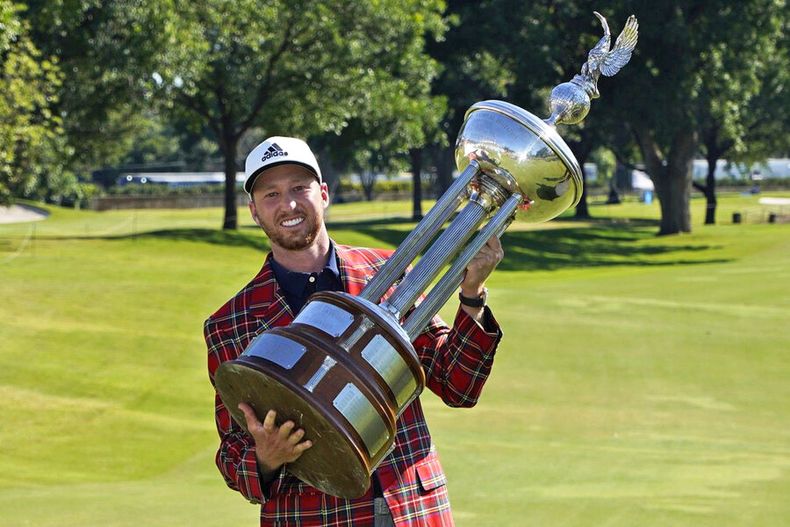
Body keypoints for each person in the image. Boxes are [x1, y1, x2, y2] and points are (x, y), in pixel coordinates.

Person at [205, 136, 504, 526]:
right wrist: (265, 457)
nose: (289, 204)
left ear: (323, 193)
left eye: (300, 187)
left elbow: (458, 385)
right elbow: (233, 457)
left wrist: (472, 294)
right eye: (271, 194)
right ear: (254, 211)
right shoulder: (230, 322)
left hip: (410, 509)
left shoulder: (388, 273)